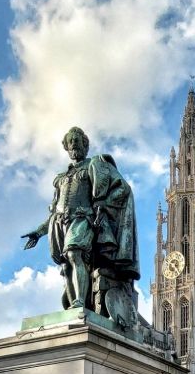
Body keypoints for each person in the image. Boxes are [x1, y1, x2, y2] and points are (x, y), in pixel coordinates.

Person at [23, 126, 140, 317]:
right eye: (71, 142)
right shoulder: (61, 179)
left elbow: (123, 188)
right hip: (59, 223)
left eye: (78, 141)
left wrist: (104, 204)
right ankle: (74, 307)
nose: (74, 145)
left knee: (74, 253)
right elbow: (55, 209)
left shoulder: (95, 165)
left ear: (85, 145)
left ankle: (79, 301)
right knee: (65, 264)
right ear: (67, 148)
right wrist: (38, 232)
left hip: (83, 217)